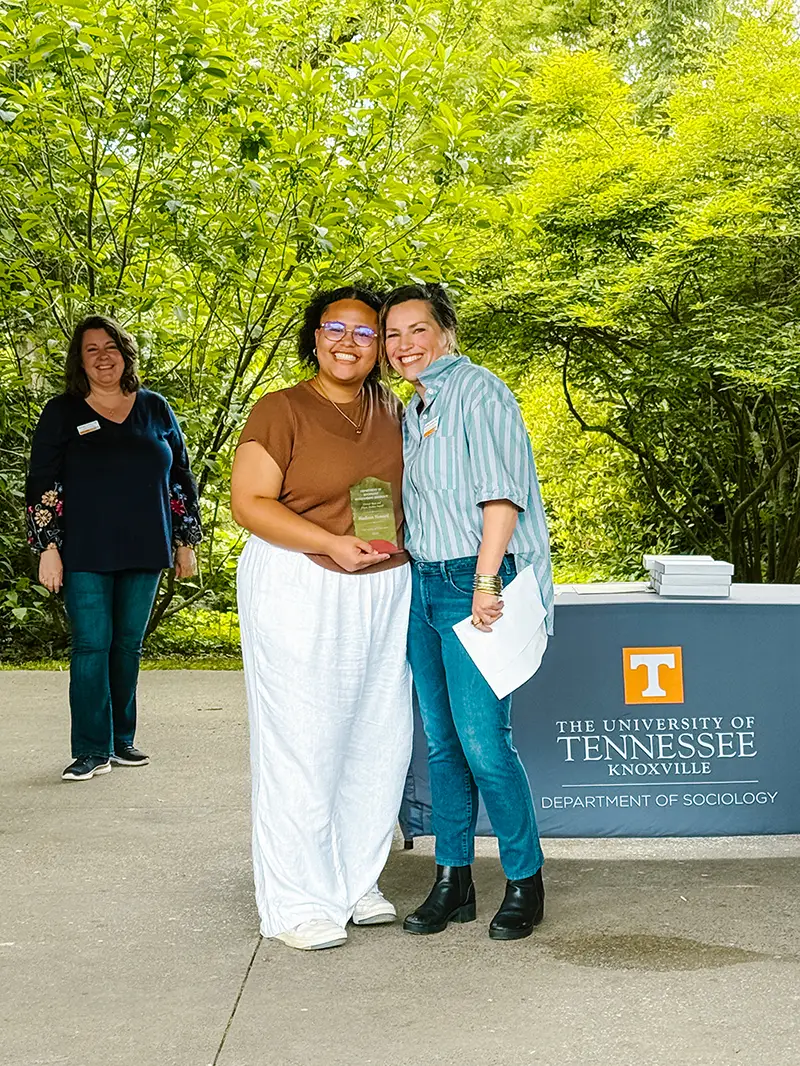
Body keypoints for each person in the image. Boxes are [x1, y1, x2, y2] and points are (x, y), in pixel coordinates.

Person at [230, 285, 413, 952]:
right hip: (301, 581)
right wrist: (329, 543)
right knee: (303, 741)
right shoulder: (280, 410)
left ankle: (352, 880)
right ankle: (297, 900)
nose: (348, 342)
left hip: (385, 590)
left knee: (377, 740)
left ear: (382, 349)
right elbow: (249, 503)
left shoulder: (396, 408)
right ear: (314, 336)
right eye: (335, 328)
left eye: (366, 333)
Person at [381, 283, 555, 941]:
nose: (404, 346)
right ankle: (452, 880)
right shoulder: (411, 409)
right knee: (444, 743)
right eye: (393, 335)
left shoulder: (481, 392)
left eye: (416, 330)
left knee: (485, 742)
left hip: (474, 582)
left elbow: (501, 500)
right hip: (421, 585)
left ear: (445, 331)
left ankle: (524, 880)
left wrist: (487, 583)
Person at [26, 314, 201, 782]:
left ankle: (121, 741)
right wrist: (48, 547)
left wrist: (185, 541)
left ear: (125, 353)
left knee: (126, 646)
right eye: (91, 350)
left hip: (146, 547)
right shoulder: (62, 412)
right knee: (90, 646)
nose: (103, 357)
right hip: (83, 551)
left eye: (110, 347)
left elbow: (181, 478)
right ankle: (89, 749)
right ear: (80, 361)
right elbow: (42, 483)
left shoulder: (156, 408)